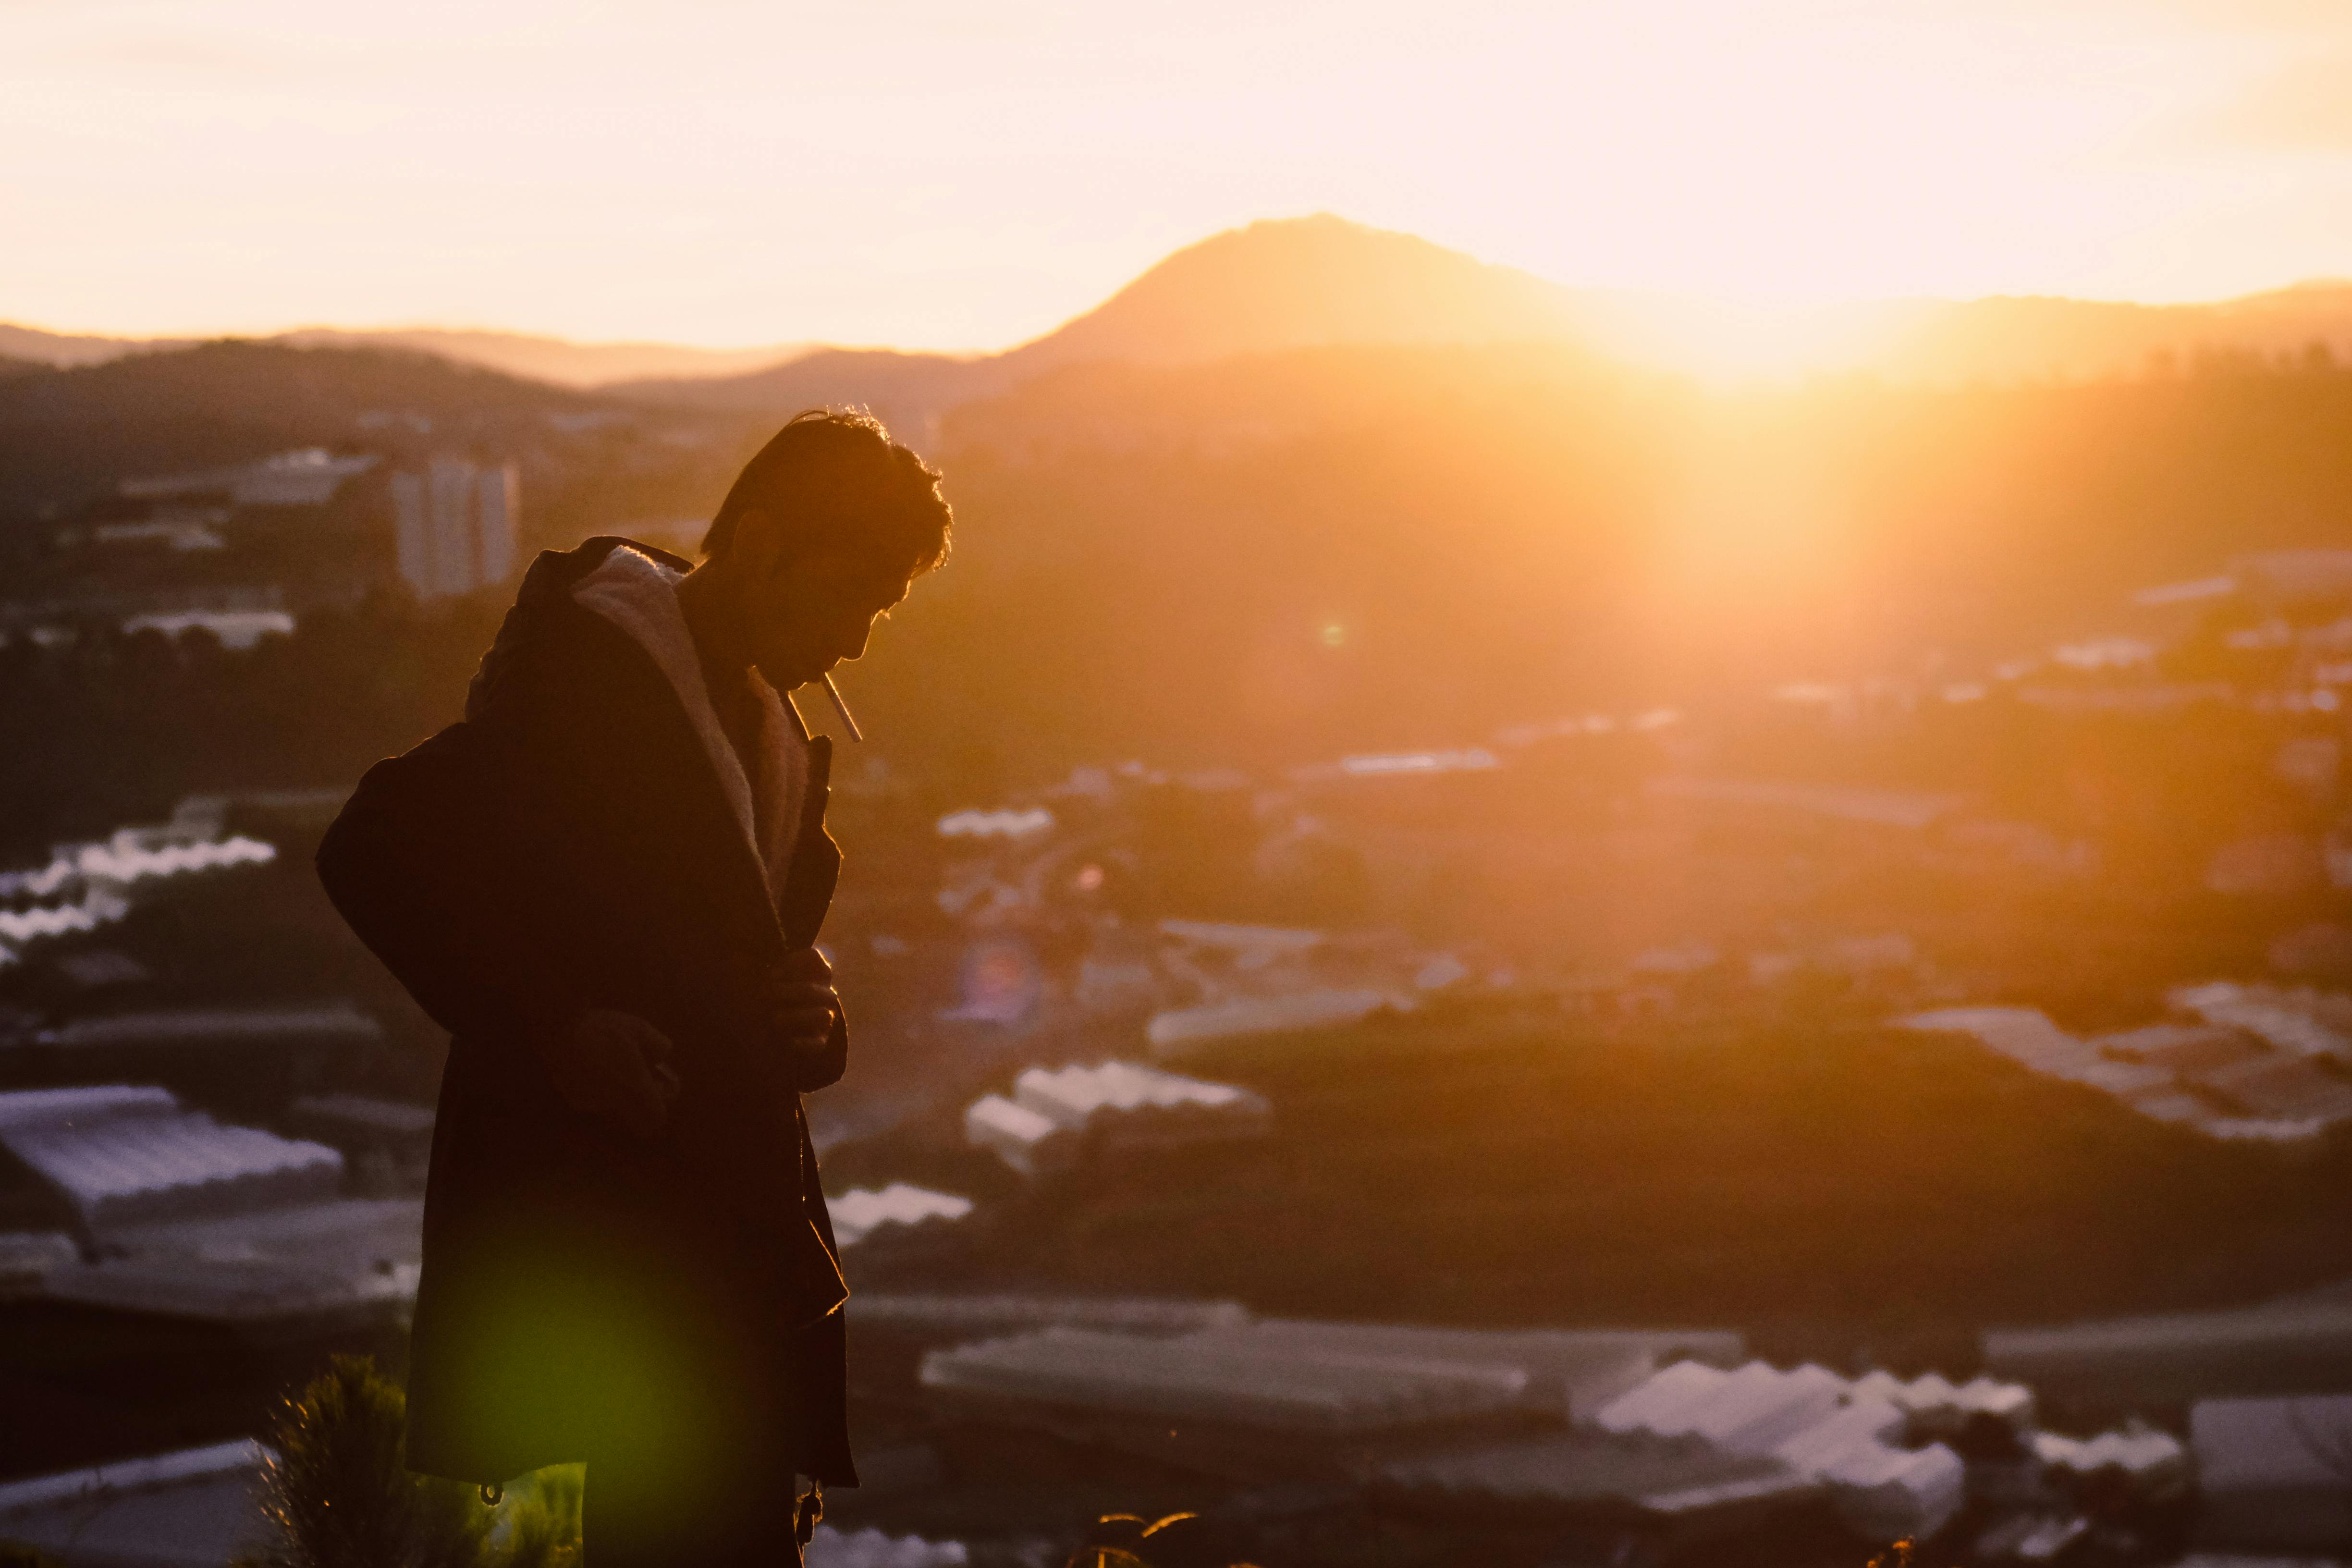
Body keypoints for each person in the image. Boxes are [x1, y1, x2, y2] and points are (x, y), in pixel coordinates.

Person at [317, 409, 952, 1567]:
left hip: (721, 1255)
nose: (859, 640)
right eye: (854, 594)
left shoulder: (765, 730)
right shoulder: (578, 690)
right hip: (630, 1263)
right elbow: (370, 845)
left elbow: (739, 968)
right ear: (760, 549)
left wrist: (814, 1018)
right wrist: (557, 1028)